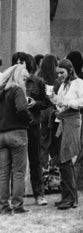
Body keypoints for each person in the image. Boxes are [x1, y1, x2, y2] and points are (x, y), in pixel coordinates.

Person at [52, 58, 83, 209]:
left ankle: (70, 198)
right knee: (62, 159)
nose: (59, 75)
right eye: (58, 73)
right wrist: (54, 99)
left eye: (62, 72)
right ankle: (67, 196)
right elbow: (61, 102)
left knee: (67, 158)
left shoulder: (79, 83)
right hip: (62, 120)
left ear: (69, 70)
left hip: (72, 121)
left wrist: (68, 103)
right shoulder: (63, 85)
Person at [17, 53, 50, 206]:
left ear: (28, 64)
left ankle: (39, 193)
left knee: (35, 160)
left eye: (21, 62)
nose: (19, 64)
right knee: (17, 162)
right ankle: (16, 195)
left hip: (33, 125)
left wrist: (34, 103)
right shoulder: (13, 82)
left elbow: (46, 103)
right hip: (17, 126)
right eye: (16, 62)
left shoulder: (38, 82)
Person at [0, 64, 31, 214]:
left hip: (2, 135)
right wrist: (28, 119)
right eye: (24, 78)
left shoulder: (2, 91)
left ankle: (3, 207)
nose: (25, 81)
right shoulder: (17, 90)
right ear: (18, 76)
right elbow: (21, 109)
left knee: (3, 173)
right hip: (18, 134)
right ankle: (18, 206)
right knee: (18, 172)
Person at [38, 54, 59, 169]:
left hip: (41, 112)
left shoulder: (38, 77)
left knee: (43, 141)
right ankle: (54, 167)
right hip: (53, 112)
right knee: (55, 141)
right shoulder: (57, 78)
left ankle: (43, 167)